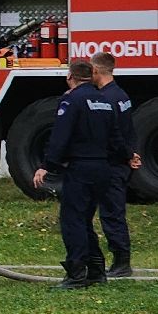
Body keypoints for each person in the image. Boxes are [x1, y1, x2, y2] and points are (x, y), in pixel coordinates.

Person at [34, 60, 121, 289]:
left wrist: (47, 165)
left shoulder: (72, 100)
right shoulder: (104, 99)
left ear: (70, 77)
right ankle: (96, 269)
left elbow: (60, 136)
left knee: (72, 220)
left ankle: (76, 273)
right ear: (91, 76)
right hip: (102, 167)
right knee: (84, 220)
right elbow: (115, 135)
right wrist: (128, 154)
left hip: (81, 167)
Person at [92, 52, 140, 278]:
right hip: (121, 162)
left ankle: (122, 262)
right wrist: (132, 154)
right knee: (113, 212)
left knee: (112, 214)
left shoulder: (106, 99)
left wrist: (127, 154)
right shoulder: (120, 94)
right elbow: (128, 130)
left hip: (112, 163)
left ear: (96, 70)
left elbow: (114, 135)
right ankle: (120, 260)